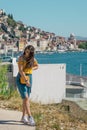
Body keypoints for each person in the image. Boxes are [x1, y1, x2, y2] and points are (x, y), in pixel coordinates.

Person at [16, 45, 38, 126]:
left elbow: (37, 66)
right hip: (22, 78)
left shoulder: (32, 59)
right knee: (26, 98)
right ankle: (30, 117)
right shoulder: (21, 58)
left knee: (26, 99)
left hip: (29, 77)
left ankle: (23, 117)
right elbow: (21, 71)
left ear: (31, 53)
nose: (26, 53)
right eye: (26, 50)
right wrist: (26, 80)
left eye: (28, 52)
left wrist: (31, 68)